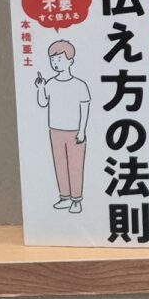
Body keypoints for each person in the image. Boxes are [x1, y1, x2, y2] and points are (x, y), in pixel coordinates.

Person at [34, 39, 90, 213]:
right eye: (53, 60)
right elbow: (43, 103)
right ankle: (64, 197)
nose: (55, 63)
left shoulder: (80, 85)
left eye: (59, 59)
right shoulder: (50, 83)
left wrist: (82, 131)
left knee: (75, 165)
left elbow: (85, 108)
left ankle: (76, 200)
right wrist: (40, 88)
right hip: (55, 130)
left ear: (70, 61)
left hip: (74, 131)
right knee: (60, 164)